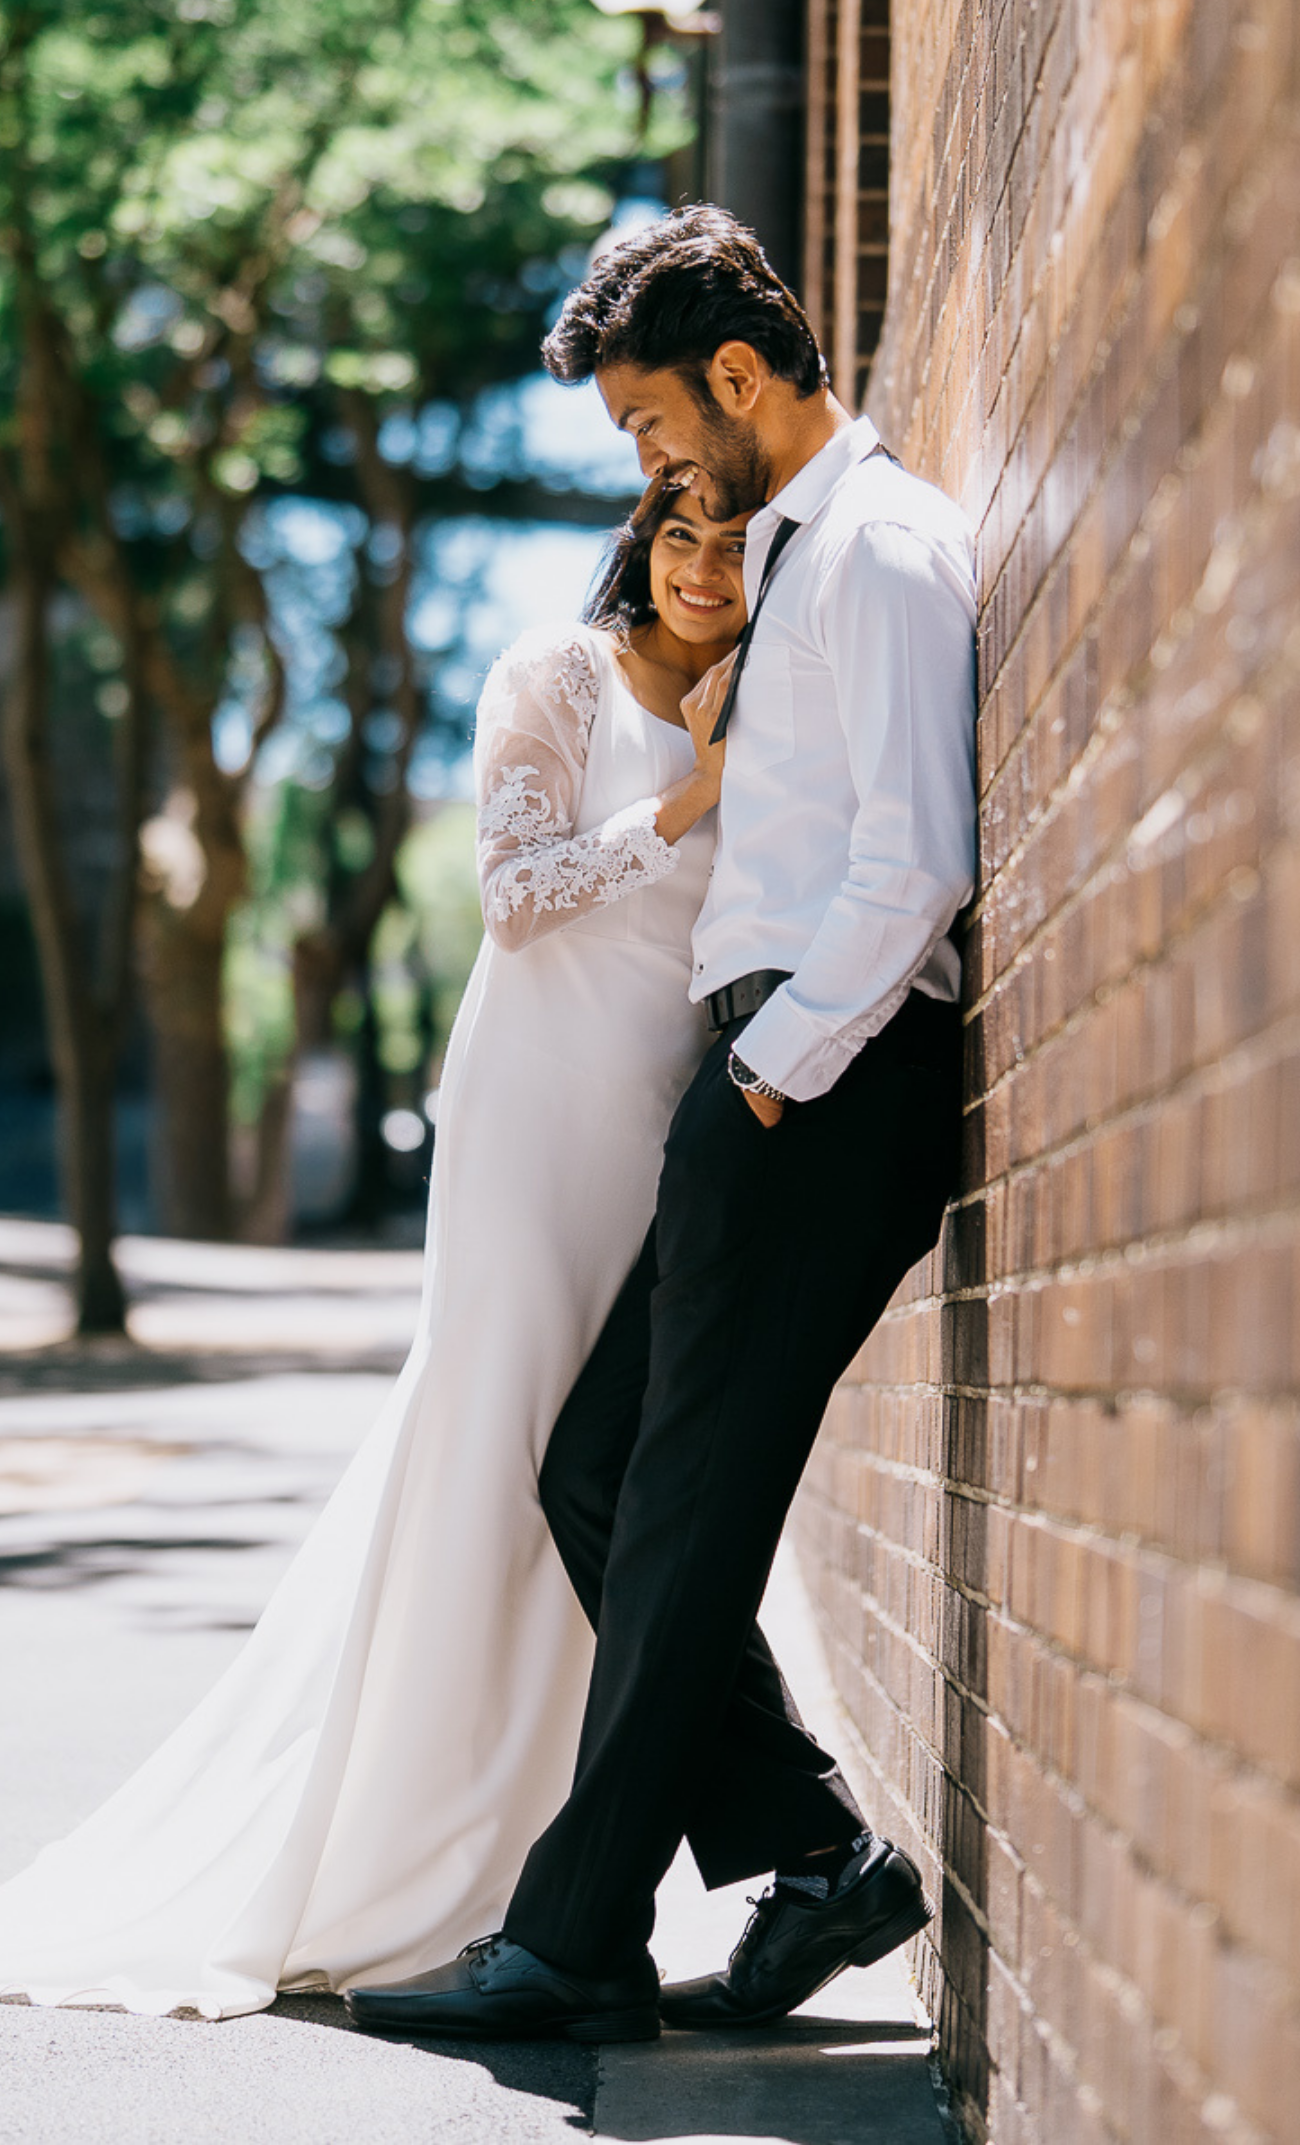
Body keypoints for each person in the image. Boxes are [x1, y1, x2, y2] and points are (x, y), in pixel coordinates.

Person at [0, 480, 748, 2020]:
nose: (704, 569)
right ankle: (402, 1845)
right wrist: (692, 798)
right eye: (680, 537)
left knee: (601, 1482)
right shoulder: (556, 670)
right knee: (493, 1447)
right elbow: (516, 894)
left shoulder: (763, 695)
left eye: (736, 547)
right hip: (535, 1117)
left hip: (658, 1129)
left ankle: (544, 1862)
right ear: (639, 545)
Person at [348, 204, 978, 2047]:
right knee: (603, 1472)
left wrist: (772, 1076)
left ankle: (574, 1940)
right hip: (773, 1079)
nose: (649, 472)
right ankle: (817, 1860)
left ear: (730, 373)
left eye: (647, 430)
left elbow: (913, 859)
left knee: (677, 1495)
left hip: (818, 1085)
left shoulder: (873, 548)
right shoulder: (796, 555)